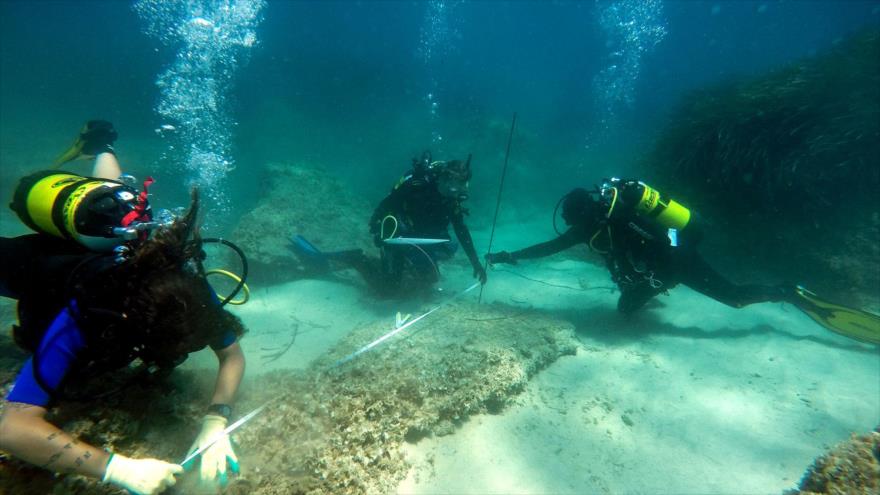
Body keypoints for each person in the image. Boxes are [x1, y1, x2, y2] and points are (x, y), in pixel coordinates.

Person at [0, 121, 248, 495]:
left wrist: (216, 421)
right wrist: (115, 468)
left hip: (111, 229)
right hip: (29, 266)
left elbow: (231, 355)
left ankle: (101, 146)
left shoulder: (188, 287)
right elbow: (13, 427)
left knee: (121, 204)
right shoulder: (86, 314)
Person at [485, 178, 880, 344]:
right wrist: (507, 256)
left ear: (581, 215)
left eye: (573, 221)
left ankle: (788, 292)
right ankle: (647, 291)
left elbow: (551, 246)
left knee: (734, 297)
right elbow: (550, 247)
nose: (573, 228)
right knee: (626, 300)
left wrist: (657, 280)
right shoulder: (604, 219)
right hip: (666, 261)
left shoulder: (611, 222)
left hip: (676, 262)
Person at [293, 151, 486, 297]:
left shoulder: (452, 200)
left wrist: (476, 263)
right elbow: (387, 204)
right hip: (399, 238)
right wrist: (378, 228)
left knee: (428, 282)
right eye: (452, 186)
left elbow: (461, 230)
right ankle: (356, 259)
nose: (455, 192)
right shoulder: (416, 185)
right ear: (443, 178)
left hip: (422, 240)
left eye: (461, 187)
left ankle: (405, 263)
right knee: (388, 291)